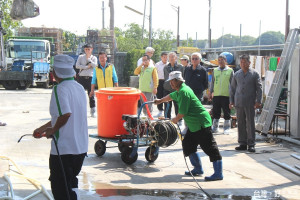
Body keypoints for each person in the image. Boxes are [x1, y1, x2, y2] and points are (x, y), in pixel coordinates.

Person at [33, 55, 88, 200]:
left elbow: (65, 114)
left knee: (60, 190)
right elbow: (62, 116)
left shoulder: (59, 89)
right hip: (80, 148)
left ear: (55, 72)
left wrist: (52, 130)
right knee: (70, 185)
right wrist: (43, 128)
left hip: (64, 150)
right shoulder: (80, 87)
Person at [154, 71, 223, 181]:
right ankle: (198, 169)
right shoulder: (179, 90)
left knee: (210, 147)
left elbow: (182, 113)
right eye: (170, 81)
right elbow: (171, 96)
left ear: (178, 81)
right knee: (188, 145)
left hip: (201, 123)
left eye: (172, 81)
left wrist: (174, 120)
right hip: (193, 125)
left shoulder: (184, 92)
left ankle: (218, 173)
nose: (171, 83)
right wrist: (159, 101)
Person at [230, 54, 262, 153]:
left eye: (245, 62)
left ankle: (251, 144)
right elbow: (232, 89)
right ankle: (242, 143)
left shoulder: (254, 74)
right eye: (241, 62)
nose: (243, 64)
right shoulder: (237, 74)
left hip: (250, 102)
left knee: (250, 123)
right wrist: (231, 101)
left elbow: (259, 88)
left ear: (249, 63)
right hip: (239, 102)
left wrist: (258, 101)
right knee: (241, 123)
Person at [209, 54, 234, 134]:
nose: (220, 61)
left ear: (225, 61)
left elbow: (233, 85)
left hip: (226, 95)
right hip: (216, 95)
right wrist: (210, 92)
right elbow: (212, 82)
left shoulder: (230, 71)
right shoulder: (215, 70)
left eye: (222, 60)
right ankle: (215, 127)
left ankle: (226, 128)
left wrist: (232, 98)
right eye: (219, 60)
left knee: (227, 112)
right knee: (216, 112)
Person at [75, 44, 98, 117]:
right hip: (81, 78)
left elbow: (95, 66)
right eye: (86, 49)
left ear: (92, 49)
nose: (87, 51)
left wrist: (89, 60)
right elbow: (77, 66)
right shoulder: (81, 57)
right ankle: (80, 110)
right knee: (80, 95)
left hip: (90, 78)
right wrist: (86, 67)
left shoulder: (94, 58)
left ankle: (93, 111)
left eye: (88, 49)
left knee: (91, 94)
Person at [163, 52, 184, 119]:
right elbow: (165, 77)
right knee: (167, 106)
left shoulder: (180, 67)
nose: (171, 58)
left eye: (172, 57)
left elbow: (183, 78)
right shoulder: (166, 67)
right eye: (170, 57)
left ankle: (178, 120)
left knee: (177, 105)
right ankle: (167, 119)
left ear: (176, 58)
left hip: (177, 89)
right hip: (167, 89)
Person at [155, 52, 168, 117]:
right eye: (164, 57)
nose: (165, 58)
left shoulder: (169, 64)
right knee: (159, 95)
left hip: (167, 82)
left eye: (166, 57)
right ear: (161, 57)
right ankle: (160, 110)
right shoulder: (157, 64)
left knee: (166, 96)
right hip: (159, 81)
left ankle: (166, 111)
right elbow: (155, 74)